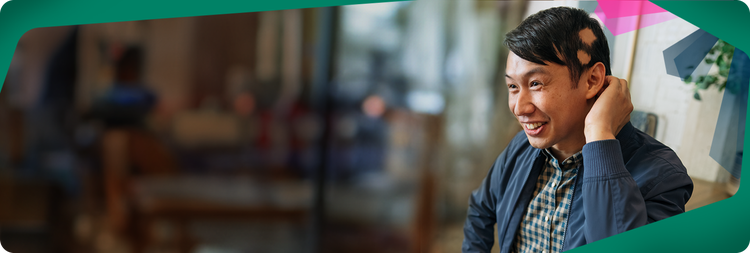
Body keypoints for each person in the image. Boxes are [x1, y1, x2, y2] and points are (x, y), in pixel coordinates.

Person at [462, 7, 693, 253]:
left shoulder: (663, 176)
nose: (519, 108)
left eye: (536, 83)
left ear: (592, 80)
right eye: (513, 86)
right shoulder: (520, 148)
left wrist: (600, 134)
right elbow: (480, 209)